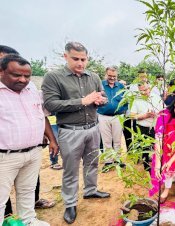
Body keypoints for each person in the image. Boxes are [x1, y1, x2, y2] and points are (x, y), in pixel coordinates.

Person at [41, 42, 110, 224]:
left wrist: (100, 100)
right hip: (70, 131)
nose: (80, 63)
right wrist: (83, 101)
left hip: (93, 128)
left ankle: (90, 190)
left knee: (92, 163)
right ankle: (70, 203)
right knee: (70, 169)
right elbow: (51, 104)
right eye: (76, 59)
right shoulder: (53, 77)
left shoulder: (93, 76)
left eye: (83, 59)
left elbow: (103, 95)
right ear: (65, 57)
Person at [0, 54, 58, 226]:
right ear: (1, 71)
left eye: (27, 76)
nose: (23, 79)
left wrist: (52, 139)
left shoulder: (31, 88)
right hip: (5, 157)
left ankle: (29, 220)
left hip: (33, 152)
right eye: (17, 75)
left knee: (27, 190)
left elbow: (41, 115)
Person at [97, 66, 127, 170]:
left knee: (117, 139)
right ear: (106, 74)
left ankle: (118, 160)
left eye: (114, 76)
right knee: (106, 140)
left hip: (118, 116)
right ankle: (108, 161)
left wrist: (123, 110)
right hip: (103, 116)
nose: (112, 78)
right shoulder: (100, 85)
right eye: (110, 76)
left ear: (117, 75)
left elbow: (126, 100)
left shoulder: (121, 86)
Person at [130, 82, 163, 170]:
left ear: (150, 88)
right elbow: (132, 116)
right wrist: (145, 116)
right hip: (142, 127)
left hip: (155, 127)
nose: (144, 92)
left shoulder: (156, 97)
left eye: (146, 89)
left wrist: (157, 114)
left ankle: (158, 164)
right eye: (141, 91)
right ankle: (146, 165)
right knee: (144, 147)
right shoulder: (137, 100)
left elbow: (163, 110)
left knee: (156, 146)